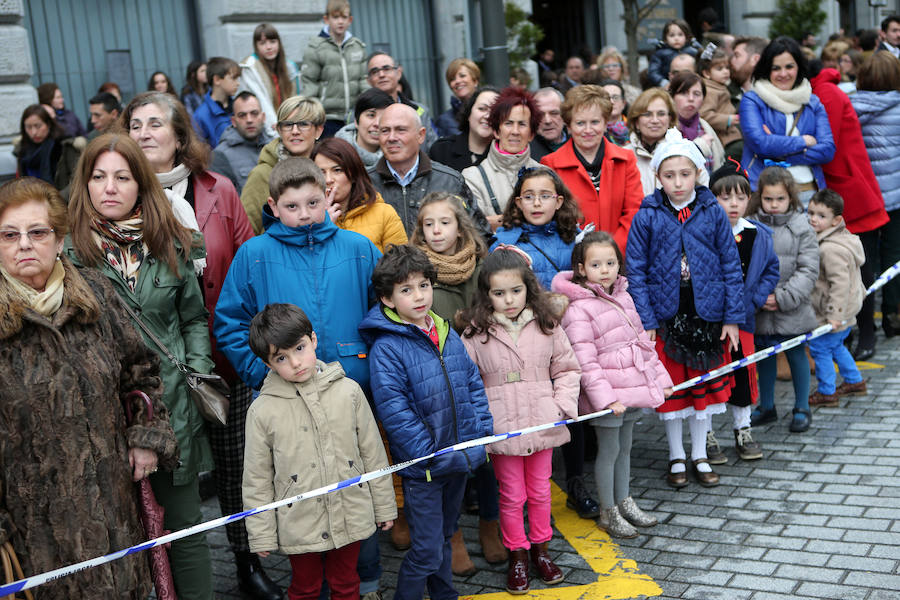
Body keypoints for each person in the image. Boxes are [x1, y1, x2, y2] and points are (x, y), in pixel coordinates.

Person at [120, 91, 278, 599]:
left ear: (180, 135)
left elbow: (248, 264)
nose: (143, 133)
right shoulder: (123, 199)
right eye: (134, 125)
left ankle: (247, 560)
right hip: (159, 367)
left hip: (224, 358)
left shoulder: (219, 190)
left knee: (237, 470)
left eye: (154, 124)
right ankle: (166, 576)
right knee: (175, 479)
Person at [216, 157, 386, 599]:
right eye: (292, 206)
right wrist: (262, 372)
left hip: (350, 388)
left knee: (356, 478)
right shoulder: (255, 254)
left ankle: (362, 583)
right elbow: (231, 322)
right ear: (273, 206)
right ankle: (310, 584)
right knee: (300, 484)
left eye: (313, 202)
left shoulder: (358, 247)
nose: (305, 213)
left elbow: (384, 313)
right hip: (286, 403)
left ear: (328, 195)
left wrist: (370, 366)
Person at [0, 177, 178, 598]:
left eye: (38, 232)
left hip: (113, 513)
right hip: (34, 535)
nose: (24, 244)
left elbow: (141, 371)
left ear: (60, 240)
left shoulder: (94, 294)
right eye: (9, 235)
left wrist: (146, 438)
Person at [66, 133, 217, 599]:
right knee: (116, 542)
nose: (109, 188)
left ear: (141, 184)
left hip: (173, 409)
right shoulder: (66, 253)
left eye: (123, 177)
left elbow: (192, 317)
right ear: (84, 184)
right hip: (104, 421)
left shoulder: (172, 239)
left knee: (184, 532)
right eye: (98, 177)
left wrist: (195, 370)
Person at [358, 244, 494, 600]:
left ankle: (444, 594)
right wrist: (427, 452)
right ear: (387, 299)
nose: (418, 296)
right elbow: (394, 409)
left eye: (423, 286)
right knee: (426, 550)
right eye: (406, 290)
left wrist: (481, 431)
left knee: (446, 537)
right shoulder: (388, 346)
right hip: (427, 469)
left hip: (458, 460)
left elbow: (472, 383)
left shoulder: (445, 331)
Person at [242, 303, 396, 600]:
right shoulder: (261, 411)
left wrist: (384, 506)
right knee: (305, 588)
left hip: (350, 508)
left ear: (313, 340)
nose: (296, 362)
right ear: (268, 364)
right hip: (299, 519)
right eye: (282, 358)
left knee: (346, 582)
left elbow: (373, 454)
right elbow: (256, 477)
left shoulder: (349, 391)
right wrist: (260, 532)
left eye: (299, 348)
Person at [625, 129, 744, 488]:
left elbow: (729, 264)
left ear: (697, 174)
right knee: (673, 390)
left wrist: (732, 318)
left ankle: (700, 455)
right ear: (658, 176)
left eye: (685, 173)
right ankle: (676, 455)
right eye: (669, 175)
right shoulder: (647, 215)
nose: (678, 182)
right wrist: (647, 319)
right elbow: (636, 270)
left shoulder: (712, 211)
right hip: (667, 317)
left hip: (706, 314)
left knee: (701, 391)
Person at [461, 247, 579, 593]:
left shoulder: (546, 324)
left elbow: (568, 368)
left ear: (528, 287)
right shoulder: (475, 333)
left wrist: (560, 406)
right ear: (487, 295)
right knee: (511, 494)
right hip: (502, 425)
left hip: (543, 418)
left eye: (516, 291)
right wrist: (482, 420)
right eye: (499, 293)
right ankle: (518, 553)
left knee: (541, 490)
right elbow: (469, 380)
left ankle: (542, 549)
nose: (509, 300)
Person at [552, 231, 671, 536]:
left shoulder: (623, 296)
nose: (604, 270)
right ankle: (609, 511)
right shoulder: (578, 308)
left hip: (632, 387)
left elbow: (642, 343)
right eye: (596, 264)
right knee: (609, 450)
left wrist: (661, 379)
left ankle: (624, 500)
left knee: (626, 447)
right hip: (607, 395)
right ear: (581, 268)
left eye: (610, 262)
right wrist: (605, 400)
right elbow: (585, 360)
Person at [408, 192, 502, 573]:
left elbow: (494, 308)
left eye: (444, 223)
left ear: (460, 227)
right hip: (437, 380)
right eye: (428, 224)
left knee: (486, 458)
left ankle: (490, 526)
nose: (436, 231)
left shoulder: (480, 266)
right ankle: (454, 536)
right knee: (450, 462)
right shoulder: (416, 272)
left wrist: (471, 319)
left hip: (481, 374)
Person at [808, 58, 889, 359]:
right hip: (842, 191)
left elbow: (826, 144)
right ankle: (851, 332)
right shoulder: (825, 90)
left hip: (850, 194)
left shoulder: (826, 93)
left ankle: (865, 333)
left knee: (858, 272)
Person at [705, 160, 779, 463]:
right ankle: (706, 435)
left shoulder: (758, 234)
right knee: (709, 378)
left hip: (744, 319)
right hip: (709, 320)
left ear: (749, 198)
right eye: (725, 197)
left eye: (740, 196)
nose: (733, 204)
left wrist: (756, 298)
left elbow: (770, 269)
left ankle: (742, 429)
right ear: (712, 199)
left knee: (743, 375)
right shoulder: (704, 233)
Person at [747, 167, 819, 433]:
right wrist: (759, 297)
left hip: (792, 306)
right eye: (768, 199)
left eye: (780, 199)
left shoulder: (802, 226)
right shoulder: (751, 224)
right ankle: (767, 406)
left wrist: (783, 297)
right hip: (761, 307)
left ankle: (802, 406)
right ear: (760, 198)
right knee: (764, 355)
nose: (774, 205)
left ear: (791, 198)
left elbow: (808, 268)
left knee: (796, 354)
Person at [541, 85, 643, 252]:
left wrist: (610, 252)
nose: (588, 130)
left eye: (595, 122)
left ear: (605, 123)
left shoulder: (626, 160)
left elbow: (634, 212)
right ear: (569, 125)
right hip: (572, 261)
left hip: (619, 259)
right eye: (580, 123)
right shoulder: (551, 164)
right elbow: (552, 220)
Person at [367, 103, 489, 237]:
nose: (391, 138)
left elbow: (480, 235)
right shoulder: (365, 184)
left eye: (400, 130)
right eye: (385, 131)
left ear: (421, 135)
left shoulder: (449, 181)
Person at [738, 36, 836, 201]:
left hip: (808, 192)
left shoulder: (812, 101)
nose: (783, 74)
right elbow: (760, 144)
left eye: (789, 66)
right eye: (776, 68)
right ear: (767, 69)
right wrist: (803, 142)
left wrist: (776, 152)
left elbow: (827, 151)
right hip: (765, 195)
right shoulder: (752, 100)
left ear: (799, 67)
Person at [851, 50, 900, 341]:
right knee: (894, 255)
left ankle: (864, 318)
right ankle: (893, 315)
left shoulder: (850, 108)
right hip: (897, 196)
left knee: (864, 259)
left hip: (865, 197)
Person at [806, 189, 867, 407]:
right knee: (836, 346)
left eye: (821, 216)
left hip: (834, 312)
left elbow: (839, 284)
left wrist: (835, 316)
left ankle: (826, 392)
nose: (813, 219)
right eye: (811, 212)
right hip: (846, 308)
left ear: (836, 220)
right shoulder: (842, 237)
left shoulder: (830, 249)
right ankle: (854, 381)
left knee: (820, 349)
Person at [241, 95, 326, 234]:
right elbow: (246, 230)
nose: (295, 131)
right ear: (279, 130)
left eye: (303, 124)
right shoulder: (262, 174)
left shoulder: (330, 170)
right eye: (287, 125)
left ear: (318, 130)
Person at [461, 87, 542, 231]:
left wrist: (496, 220)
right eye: (508, 123)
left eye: (522, 124)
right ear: (496, 131)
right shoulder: (472, 177)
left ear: (531, 134)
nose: (515, 131)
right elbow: (473, 227)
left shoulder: (546, 173)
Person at [311, 137, 407, 251]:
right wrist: (321, 228)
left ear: (353, 175)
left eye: (337, 170)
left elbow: (401, 264)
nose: (328, 180)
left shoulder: (384, 214)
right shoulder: (304, 217)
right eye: (321, 172)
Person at [301, 0, 368, 138]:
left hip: (353, 117)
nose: (340, 22)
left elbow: (363, 80)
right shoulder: (316, 47)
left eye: (344, 17)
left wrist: (367, 107)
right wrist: (314, 115)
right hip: (327, 119)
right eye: (335, 17)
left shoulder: (357, 46)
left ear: (350, 20)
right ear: (326, 19)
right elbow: (310, 84)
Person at [626, 90, 709, 195]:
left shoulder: (688, 153)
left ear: (670, 119)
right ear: (636, 122)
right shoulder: (623, 156)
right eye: (647, 114)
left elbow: (704, 196)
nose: (655, 120)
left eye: (661, 114)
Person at [366, 51, 438, 150]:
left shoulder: (420, 111)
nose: (381, 74)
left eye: (386, 69)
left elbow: (433, 149)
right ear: (368, 80)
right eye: (375, 72)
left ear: (399, 73)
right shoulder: (360, 114)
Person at [240, 23, 301, 136]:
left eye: (272, 41)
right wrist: (275, 127)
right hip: (266, 131)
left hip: (290, 128)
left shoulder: (289, 67)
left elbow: (296, 100)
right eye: (262, 43)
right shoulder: (251, 68)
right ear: (256, 46)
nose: (269, 47)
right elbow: (261, 102)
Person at [212, 91, 275, 193]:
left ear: (263, 117)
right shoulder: (220, 155)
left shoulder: (275, 146)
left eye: (254, 113)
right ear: (233, 121)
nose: (249, 120)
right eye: (242, 115)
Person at [429, 86, 500, 173]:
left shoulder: (505, 156)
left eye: (494, 112)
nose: (488, 116)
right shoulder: (442, 150)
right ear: (469, 113)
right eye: (482, 109)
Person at [14, 104, 83, 191]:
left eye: (38, 126)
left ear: (48, 124)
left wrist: (56, 200)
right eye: (28, 127)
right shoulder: (22, 150)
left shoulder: (64, 146)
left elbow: (77, 181)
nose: (34, 132)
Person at [670, 71, 725, 174]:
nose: (691, 99)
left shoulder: (705, 127)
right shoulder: (667, 128)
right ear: (672, 96)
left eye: (697, 94)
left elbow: (719, 163)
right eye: (684, 93)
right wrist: (699, 147)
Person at [699, 46, 743, 162]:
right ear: (707, 73)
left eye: (727, 68)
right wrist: (727, 119)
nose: (725, 72)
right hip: (722, 138)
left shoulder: (719, 86)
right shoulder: (710, 90)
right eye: (719, 69)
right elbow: (704, 115)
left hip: (730, 134)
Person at [336, 87, 394, 167]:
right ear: (356, 121)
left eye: (384, 117)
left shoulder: (398, 158)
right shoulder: (335, 154)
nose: (377, 123)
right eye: (371, 115)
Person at [193, 57, 242, 147]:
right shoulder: (200, 115)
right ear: (217, 80)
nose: (238, 83)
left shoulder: (239, 107)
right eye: (233, 78)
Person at [648, 19, 702, 89]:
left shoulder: (693, 52)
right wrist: (663, 82)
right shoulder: (660, 53)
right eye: (672, 35)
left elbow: (700, 69)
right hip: (668, 86)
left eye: (680, 35)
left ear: (687, 37)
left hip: (690, 85)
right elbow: (653, 72)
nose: (676, 38)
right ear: (665, 38)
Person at [435, 58, 481, 138]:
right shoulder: (444, 120)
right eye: (452, 79)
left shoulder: (491, 111)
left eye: (462, 76)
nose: (457, 81)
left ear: (475, 81)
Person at [529, 87, 567, 161]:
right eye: (540, 115)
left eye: (554, 113)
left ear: (564, 114)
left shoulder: (579, 143)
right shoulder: (525, 151)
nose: (547, 121)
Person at [598, 79, 629, 146]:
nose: (611, 102)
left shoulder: (634, 127)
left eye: (615, 97)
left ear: (623, 103)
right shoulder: (594, 130)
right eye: (607, 98)